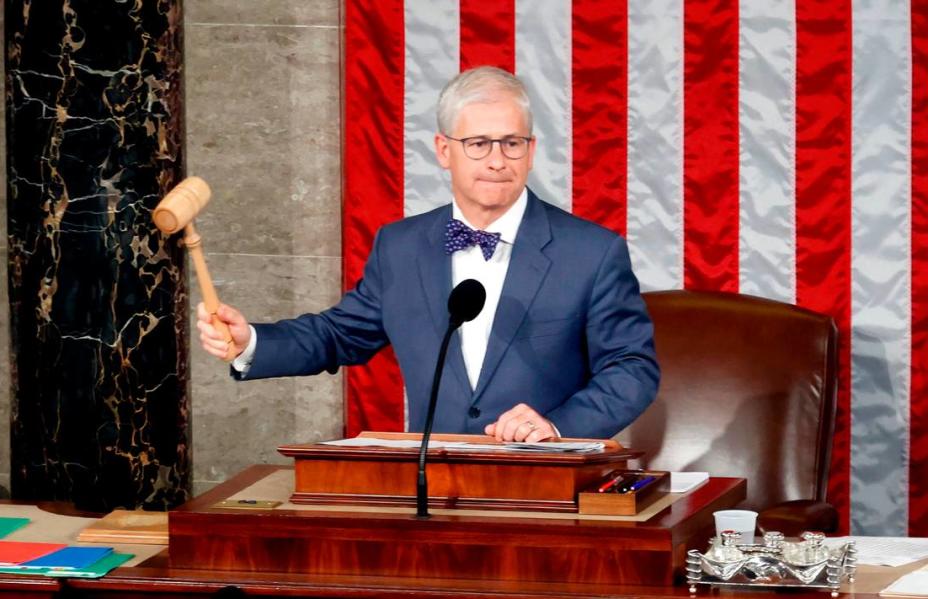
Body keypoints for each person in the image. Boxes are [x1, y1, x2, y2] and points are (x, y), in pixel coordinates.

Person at [198, 66, 659, 442]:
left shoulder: (592, 253)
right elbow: (340, 334)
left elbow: (632, 368)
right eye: (478, 144)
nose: (497, 161)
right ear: (443, 151)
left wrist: (559, 427)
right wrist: (251, 342)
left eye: (512, 143)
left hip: (547, 487)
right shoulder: (400, 246)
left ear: (531, 150)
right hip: (432, 489)